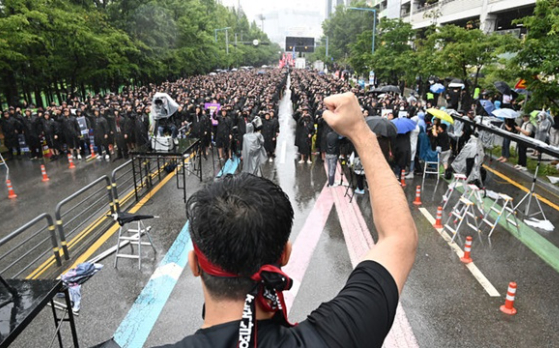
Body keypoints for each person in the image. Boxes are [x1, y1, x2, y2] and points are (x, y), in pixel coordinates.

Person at [154, 92, 418, 348]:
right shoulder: (336, 337)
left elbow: (399, 240)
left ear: (195, 264)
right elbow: (398, 238)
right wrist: (361, 132)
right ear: (284, 255)